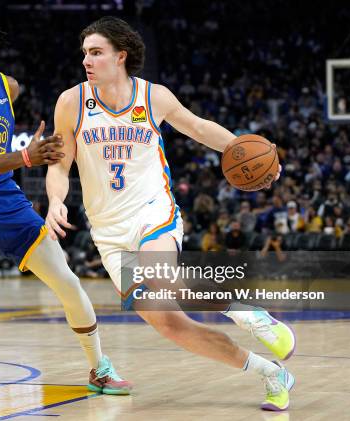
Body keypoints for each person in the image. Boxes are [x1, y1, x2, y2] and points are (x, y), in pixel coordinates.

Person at [46, 17, 295, 411]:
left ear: (120, 55)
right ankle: (271, 373)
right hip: (108, 232)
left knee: (162, 276)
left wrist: (246, 149)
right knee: (171, 324)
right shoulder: (71, 102)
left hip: (152, 211)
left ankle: (251, 315)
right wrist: (56, 200)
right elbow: (60, 165)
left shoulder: (152, 96)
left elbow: (197, 127)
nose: (87, 61)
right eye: (85, 54)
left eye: (96, 52)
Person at [0, 19, 131, 404]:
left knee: (67, 280)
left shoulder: (8, 87)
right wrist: (24, 155)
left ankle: (100, 367)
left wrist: (27, 153)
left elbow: (7, 150)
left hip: (6, 197)